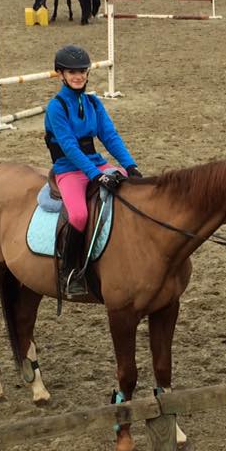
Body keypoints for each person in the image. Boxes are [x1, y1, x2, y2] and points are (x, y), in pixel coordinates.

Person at [45, 45, 142, 283]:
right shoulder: (56, 107)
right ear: (61, 74)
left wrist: (130, 166)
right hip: (69, 170)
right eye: (72, 72)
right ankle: (70, 270)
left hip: (96, 163)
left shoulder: (94, 103)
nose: (78, 76)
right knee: (79, 215)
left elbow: (110, 136)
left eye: (82, 71)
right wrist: (95, 175)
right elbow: (69, 147)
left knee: (132, 193)